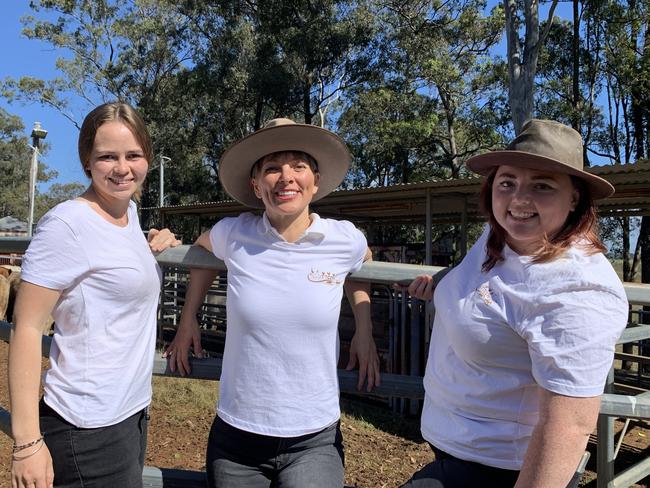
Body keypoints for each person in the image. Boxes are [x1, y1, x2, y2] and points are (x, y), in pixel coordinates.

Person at [401, 119, 629, 488]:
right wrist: (443, 284)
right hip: (458, 447)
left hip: (504, 470)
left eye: (542, 185)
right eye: (507, 182)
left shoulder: (578, 292)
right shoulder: (503, 234)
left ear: (574, 197)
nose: (519, 198)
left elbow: (568, 426)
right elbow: (488, 283)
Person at [164, 117, 381, 488]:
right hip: (238, 436)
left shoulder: (343, 238)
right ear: (255, 184)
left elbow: (363, 265)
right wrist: (189, 319)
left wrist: (364, 329)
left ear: (315, 180)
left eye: (298, 166)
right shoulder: (234, 233)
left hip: (314, 436)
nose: (286, 177)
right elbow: (201, 253)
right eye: (271, 168)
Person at [9, 102, 181, 488]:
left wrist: (158, 241)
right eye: (107, 156)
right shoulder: (66, 224)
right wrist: (26, 443)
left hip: (131, 412)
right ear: (87, 160)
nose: (122, 168)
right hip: (86, 426)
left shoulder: (130, 214)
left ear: (148, 159)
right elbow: (27, 328)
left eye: (133, 155)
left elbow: (112, 267)